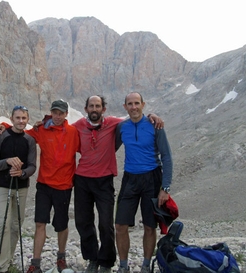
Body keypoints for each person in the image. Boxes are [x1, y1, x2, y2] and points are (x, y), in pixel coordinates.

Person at [72, 95, 164, 273]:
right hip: (82, 178)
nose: (94, 109)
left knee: (106, 223)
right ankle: (92, 258)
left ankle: (106, 262)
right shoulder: (78, 126)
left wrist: (152, 114)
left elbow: (135, 117)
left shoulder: (115, 123)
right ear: (86, 109)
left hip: (105, 179)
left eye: (97, 106)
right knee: (83, 221)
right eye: (91, 106)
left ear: (103, 109)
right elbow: (61, 130)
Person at [0, 100, 80, 273]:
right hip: (44, 185)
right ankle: (35, 263)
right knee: (40, 223)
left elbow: (87, 150)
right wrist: (4, 125)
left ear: (66, 114)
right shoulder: (41, 130)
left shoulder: (73, 132)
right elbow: (20, 132)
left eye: (61, 113)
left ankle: (61, 257)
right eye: (55, 112)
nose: (57, 116)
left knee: (61, 224)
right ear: (51, 112)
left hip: (64, 186)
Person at [114, 92, 173, 273]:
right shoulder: (122, 127)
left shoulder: (155, 126)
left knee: (149, 225)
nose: (134, 107)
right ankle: (123, 266)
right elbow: (109, 148)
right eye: (130, 104)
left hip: (152, 178)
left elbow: (167, 156)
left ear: (143, 104)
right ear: (125, 107)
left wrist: (165, 187)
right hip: (130, 178)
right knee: (120, 225)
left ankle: (146, 266)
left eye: (137, 103)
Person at [0, 105, 37, 273]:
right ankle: (1, 267)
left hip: (22, 187)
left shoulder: (30, 140)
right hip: (2, 186)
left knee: (16, 225)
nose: (21, 121)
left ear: (27, 119)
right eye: (18, 118)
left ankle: (7, 260)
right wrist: (7, 162)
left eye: (24, 118)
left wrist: (22, 173)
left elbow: (32, 166)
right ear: (11, 119)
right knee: (4, 223)